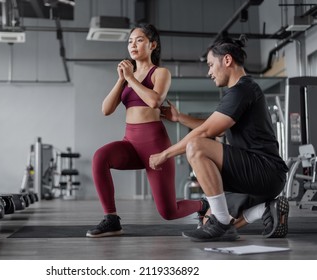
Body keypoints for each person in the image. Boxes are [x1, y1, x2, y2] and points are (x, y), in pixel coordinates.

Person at [149, 35, 289, 242]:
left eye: (211, 65)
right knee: (206, 218)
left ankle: (222, 222)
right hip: (258, 174)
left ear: (227, 60)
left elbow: (206, 133)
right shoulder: (241, 91)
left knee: (196, 146)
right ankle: (264, 209)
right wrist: (179, 117)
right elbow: (217, 129)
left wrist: (165, 154)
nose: (209, 72)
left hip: (264, 171)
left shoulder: (242, 90)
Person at [86, 23, 208, 238]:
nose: (133, 44)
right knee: (100, 157)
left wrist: (131, 78)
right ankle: (112, 219)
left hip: (155, 145)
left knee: (169, 212)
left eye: (139, 40)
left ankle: (203, 205)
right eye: (130, 41)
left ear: (152, 44)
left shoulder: (160, 73)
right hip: (130, 143)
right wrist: (121, 79)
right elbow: (106, 109)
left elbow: (154, 101)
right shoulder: (126, 79)